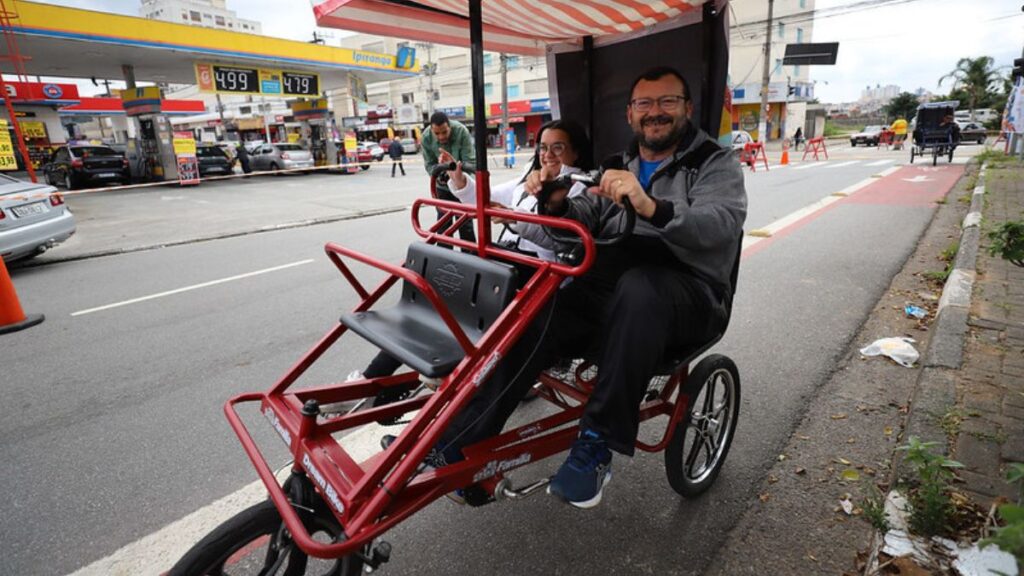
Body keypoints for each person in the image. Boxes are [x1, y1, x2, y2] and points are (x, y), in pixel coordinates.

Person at [432, 66, 747, 509]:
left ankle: (597, 442)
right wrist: (555, 202)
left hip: (690, 294)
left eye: (667, 102)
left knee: (640, 287)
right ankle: (460, 438)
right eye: (644, 104)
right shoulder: (618, 164)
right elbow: (583, 220)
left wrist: (651, 206)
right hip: (614, 290)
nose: (655, 113)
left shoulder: (715, 163)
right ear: (630, 113)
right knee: (540, 302)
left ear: (687, 108)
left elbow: (721, 226)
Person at [345, 120, 595, 417]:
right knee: (438, 293)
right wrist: (460, 179)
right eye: (543, 147)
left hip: (545, 275)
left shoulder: (580, 189)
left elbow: (560, 238)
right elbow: (483, 196)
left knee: (469, 295)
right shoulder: (526, 181)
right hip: (510, 264)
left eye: (558, 147)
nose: (548, 154)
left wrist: (515, 218)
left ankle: (440, 372)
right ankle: (370, 381)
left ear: (575, 153)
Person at [421, 111, 476, 242]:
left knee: (465, 224)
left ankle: (470, 259)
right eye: (437, 133)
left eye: (444, 132)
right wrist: (439, 173)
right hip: (442, 188)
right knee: (443, 225)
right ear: (432, 130)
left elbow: (471, 162)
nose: (441, 137)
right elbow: (429, 165)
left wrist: (455, 170)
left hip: (461, 187)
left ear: (450, 126)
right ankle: (443, 258)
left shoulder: (461, 131)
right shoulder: (426, 137)